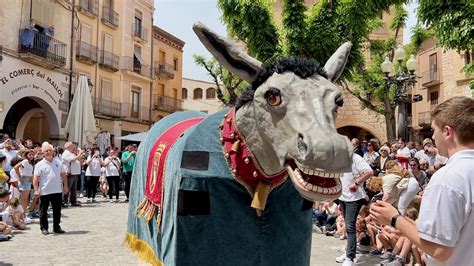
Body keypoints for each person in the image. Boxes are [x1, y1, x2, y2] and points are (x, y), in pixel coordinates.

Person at [370, 96, 474, 265]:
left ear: (447, 132)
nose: (432, 136)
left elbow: (440, 250)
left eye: (434, 130)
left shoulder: (447, 178)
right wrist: (408, 227)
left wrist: (394, 219)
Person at [336, 154, 373, 265]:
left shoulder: (356, 158)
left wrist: (356, 182)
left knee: (351, 226)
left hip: (354, 198)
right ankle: (348, 252)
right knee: (348, 226)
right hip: (342, 197)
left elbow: (369, 172)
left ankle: (350, 258)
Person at [33, 143, 68, 235]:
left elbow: (63, 175)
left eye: (50, 150)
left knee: (57, 211)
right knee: (43, 211)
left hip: (57, 190)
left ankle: (56, 227)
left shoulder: (58, 162)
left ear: (53, 152)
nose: (48, 152)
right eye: (46, 151)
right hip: (45, 191)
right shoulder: (39, 164)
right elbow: (36, 178)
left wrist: (65, 186)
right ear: (43, 153)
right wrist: (36, 189)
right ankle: (44, 228)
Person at [62, 142, 83, 207]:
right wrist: (79, 153)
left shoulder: (72, 153)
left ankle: (73, 201)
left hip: (75, 173)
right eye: (72, 146)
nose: (74, 147)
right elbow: (73, 160)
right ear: (68, 147)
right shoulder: (66, 153)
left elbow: (79, 160)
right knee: (67, 188)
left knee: (74, 189)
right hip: (69, 173)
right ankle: (64, 201)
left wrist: (78, 154)